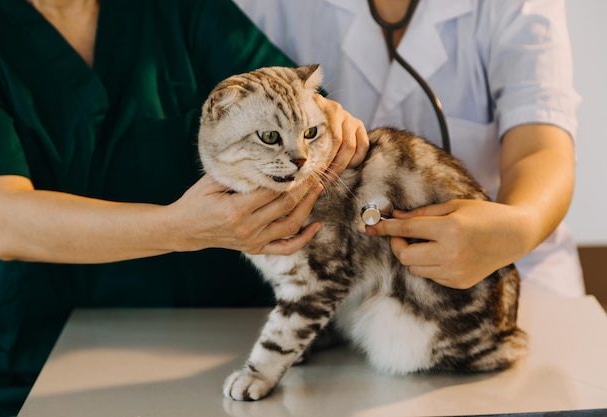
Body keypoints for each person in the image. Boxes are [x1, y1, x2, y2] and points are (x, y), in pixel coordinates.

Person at [0, 0, 368, 414]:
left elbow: (297, 105)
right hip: (38, 356)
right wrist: (179, 229)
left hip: (219, 341)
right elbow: (1, 219)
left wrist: (329, 119)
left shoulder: (185, 9)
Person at [233, 0, 586, 297]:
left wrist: (515, 231)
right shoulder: (266, 6)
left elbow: (540, 148)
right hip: (339, 285)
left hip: (514, 279)